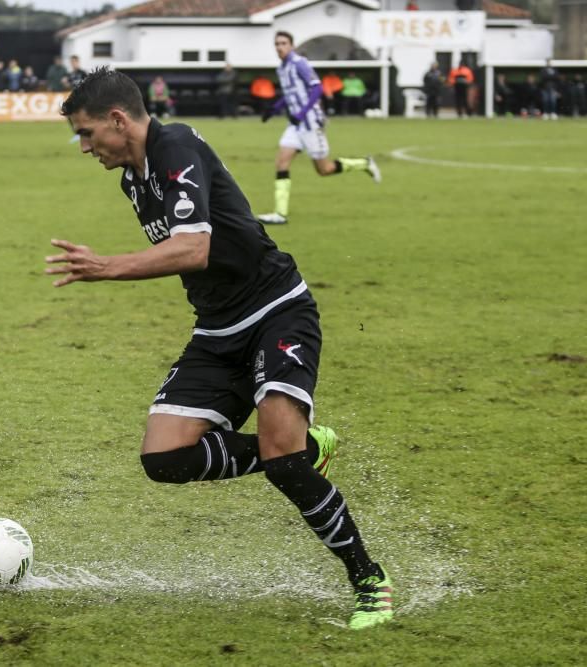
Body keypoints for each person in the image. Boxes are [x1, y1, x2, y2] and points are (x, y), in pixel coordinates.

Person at [48, 67, 393, 630]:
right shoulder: (133, 180)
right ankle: (300, 447)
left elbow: (194, 248)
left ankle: (368, 580)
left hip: (278, 309)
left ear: (118, 120)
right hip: (217, 329)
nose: (86, 147)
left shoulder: (175, 144)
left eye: (88, 134)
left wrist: (106, 267)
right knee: (164, 458)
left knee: (287, 465)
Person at [257, 32, 380, 226]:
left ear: (292, 45)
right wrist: (274, 108)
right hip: (295, 126)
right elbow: (289, 94)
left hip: (311, 123)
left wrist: (303, 112)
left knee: (324, 169)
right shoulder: (282, 68)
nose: (279, 47)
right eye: (277, 44)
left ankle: (364, 163)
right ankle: (280, 213)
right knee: (281, 163)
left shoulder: (300, 63)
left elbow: (317, 88)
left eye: (283, 43)